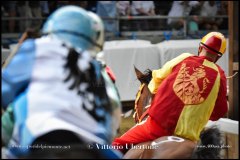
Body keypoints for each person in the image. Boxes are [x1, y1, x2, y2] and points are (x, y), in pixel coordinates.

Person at [2, 6, 122, 158]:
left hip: (39, 143)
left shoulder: (37, 47)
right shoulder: (97, 69)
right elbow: (113, 118)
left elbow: (5, 92)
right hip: (96, 151)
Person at [112, 32, 228, 153]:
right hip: (189, 137)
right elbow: (219, 112)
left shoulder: (185, 57)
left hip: (157, 126)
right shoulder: (220, 76)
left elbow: (156, 79)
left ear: (200, 47)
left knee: (116, 145)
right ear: (219, 56)